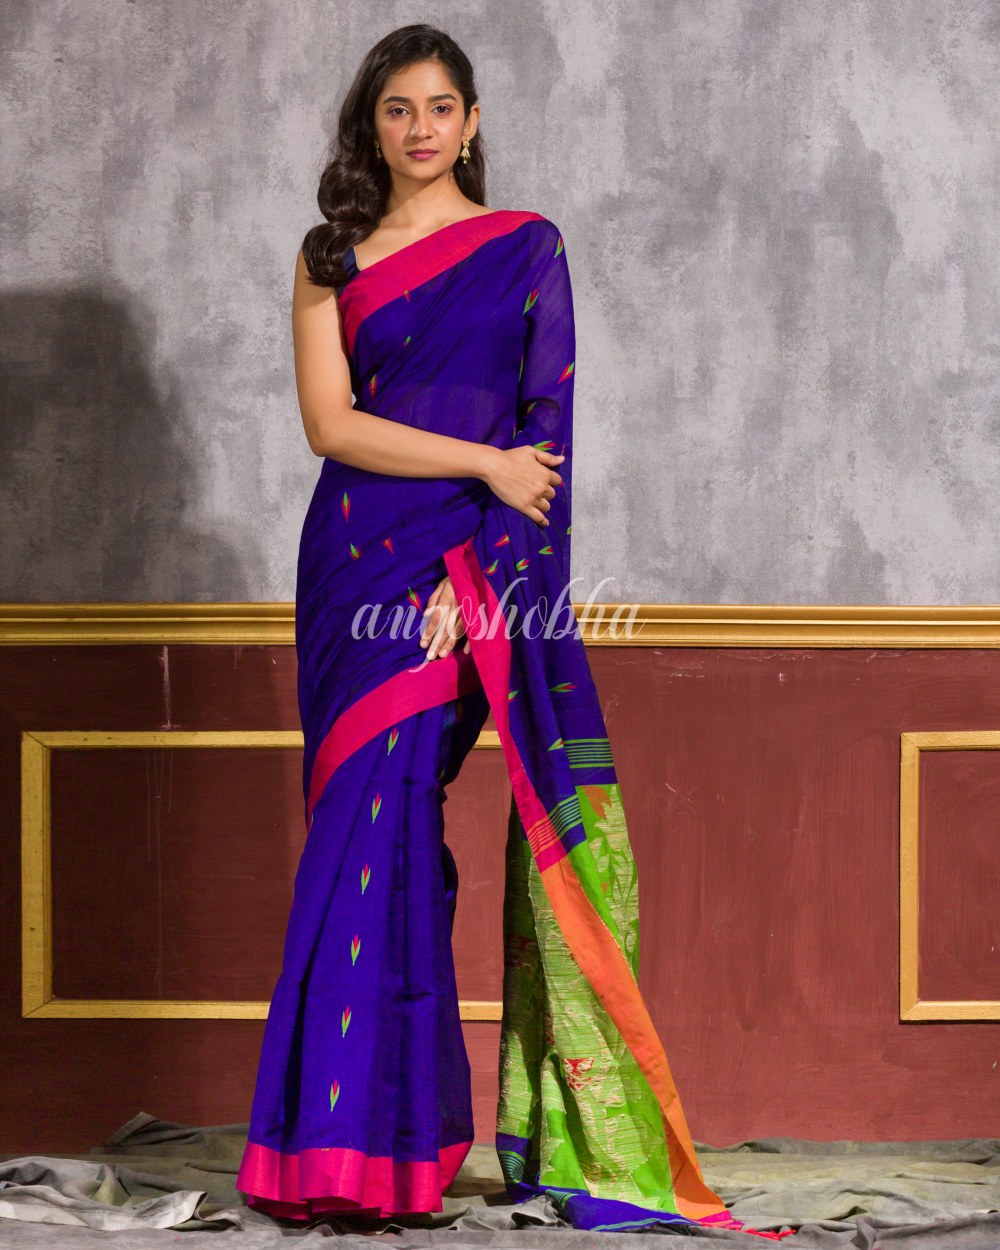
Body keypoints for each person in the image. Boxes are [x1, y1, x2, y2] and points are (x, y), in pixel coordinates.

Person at [235, 22, 793, 1242]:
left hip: (462, 573)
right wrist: (480, 461)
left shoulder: (525, 248)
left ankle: (378, 1146)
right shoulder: (329, 255)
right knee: (358, 829)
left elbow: (546, 442)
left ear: (471, 122)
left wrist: (482, 573)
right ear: (371, 123)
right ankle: (348, 1148)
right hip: (353, 565)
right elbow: (331, 425)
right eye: (397, 109)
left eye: (440, 107)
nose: (419, 128)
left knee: (395, 822)